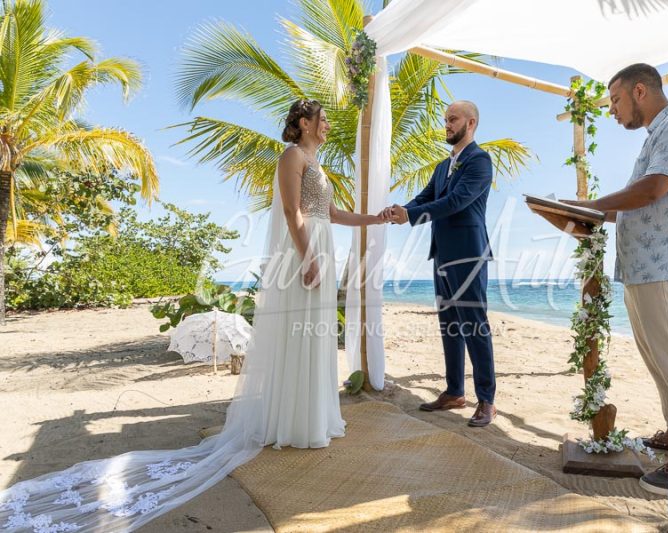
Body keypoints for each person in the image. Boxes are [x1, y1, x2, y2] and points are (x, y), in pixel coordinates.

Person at [0, 99, 386, 531]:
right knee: (298, 335)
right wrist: (307, 257)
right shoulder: (292, 156)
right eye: (322, 118)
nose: (328, 124)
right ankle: (292, 424)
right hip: (305, 252)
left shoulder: (317, 162)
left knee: (313, 335)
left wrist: (375, 217)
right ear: (302, 123)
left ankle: (311, 418)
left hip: (322, 244)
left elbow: (330, 213)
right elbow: (294, 213)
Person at [563, 64, 668, 496]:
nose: (611, 110)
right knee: (658, 361)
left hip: (660, 267)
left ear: (641, 90)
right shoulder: (655, 135)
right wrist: (581, 211)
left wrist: (589, 204)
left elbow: (653, 190)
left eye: (614, 100)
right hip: (641, 269)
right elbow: (629, 205)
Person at [384, 100, 497, 428]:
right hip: (442, 254)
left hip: (469, 256)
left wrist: (412, 216)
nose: (446, 125)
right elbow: (425, 198)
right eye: (445, 119)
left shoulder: (480, 161)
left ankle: (487, 401)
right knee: (450, 325)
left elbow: (456, 201)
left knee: (475, 326)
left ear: (471, 123)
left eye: (453, 119)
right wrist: (400, 210)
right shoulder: (440, 167)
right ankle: (454, 392)